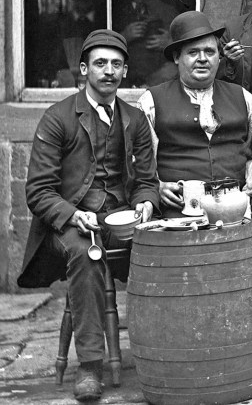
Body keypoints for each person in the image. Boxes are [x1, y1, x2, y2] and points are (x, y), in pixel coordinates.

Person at [137, 11, 252, 362]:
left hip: (240, 201)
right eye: (193, 52)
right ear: (177, 57)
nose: (202, 59)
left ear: (219, 56)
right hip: (184, 207)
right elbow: (139, 161)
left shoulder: (241, 96)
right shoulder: (152, 101)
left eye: (210, 52)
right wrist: (158, 185)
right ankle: (195, 342)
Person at [18, 29, 159, 401]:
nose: (108, 71)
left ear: (125, 71)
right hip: (69, 226)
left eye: (116, 64)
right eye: (100, 64)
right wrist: (73, 214)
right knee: (87, 252)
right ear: (83, 70)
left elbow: (147, 180)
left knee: (167, 242)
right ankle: (90, 365)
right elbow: (38, 191)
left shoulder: (134, 119)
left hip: (120, 220)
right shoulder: (57, 118)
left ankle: (166, 350)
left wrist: (146, 202)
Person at [113, 0, 178, 87]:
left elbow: (185, 47)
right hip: (123, 80)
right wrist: (124, 36)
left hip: (157, 81)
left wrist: (170, 43)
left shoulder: (167, 10)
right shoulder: (113, 10)